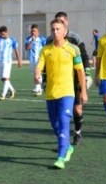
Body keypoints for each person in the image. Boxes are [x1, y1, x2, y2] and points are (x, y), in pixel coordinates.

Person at [35, 18, 87, 169]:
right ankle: (68, 146)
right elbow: (39, 67)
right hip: (51, 93)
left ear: (64, 31)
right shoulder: (46, 50)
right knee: (55, 124)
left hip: (67, 92)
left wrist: (83, 91)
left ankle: (61, 157)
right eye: (53, 29)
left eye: (58, 29)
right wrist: (37, 75)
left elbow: (80, 72)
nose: (55, 32)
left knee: (64, 122)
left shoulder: (73, 49)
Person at [45, 12, 91, 145]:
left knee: (77, 109)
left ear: (66, 24)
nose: (57, 30)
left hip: (74, 80)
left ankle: (77, 133)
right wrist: (44, 79)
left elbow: (84, 56)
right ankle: (63, 143)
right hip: (57, 83)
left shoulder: (75, 38)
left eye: (62, 23)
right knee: (59, 117)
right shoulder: (49, 40)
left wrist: (86, 74)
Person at [0, 25, 22, 100]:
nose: (2, 35)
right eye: (1, 34)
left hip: (7, 62)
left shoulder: (12, 40)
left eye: (3, 34)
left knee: (6, 78)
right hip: (0, 61)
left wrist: (19, 61)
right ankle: (12, 90)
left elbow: (16, 51)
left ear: (7, 32)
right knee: (2, 78)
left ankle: (3, 95)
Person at [25, 24, 46, 96]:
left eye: (34, 31)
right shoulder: (28, 39)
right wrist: (31, 41)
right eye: (32, 31)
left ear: (38, 32)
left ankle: (38, 89)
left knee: (38, 73)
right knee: (34, 74)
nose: (33, 32)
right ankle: (39, 86)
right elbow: (27, 48)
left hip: (39, 59)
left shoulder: (42, 39)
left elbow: (45, 49)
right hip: (32, 59)